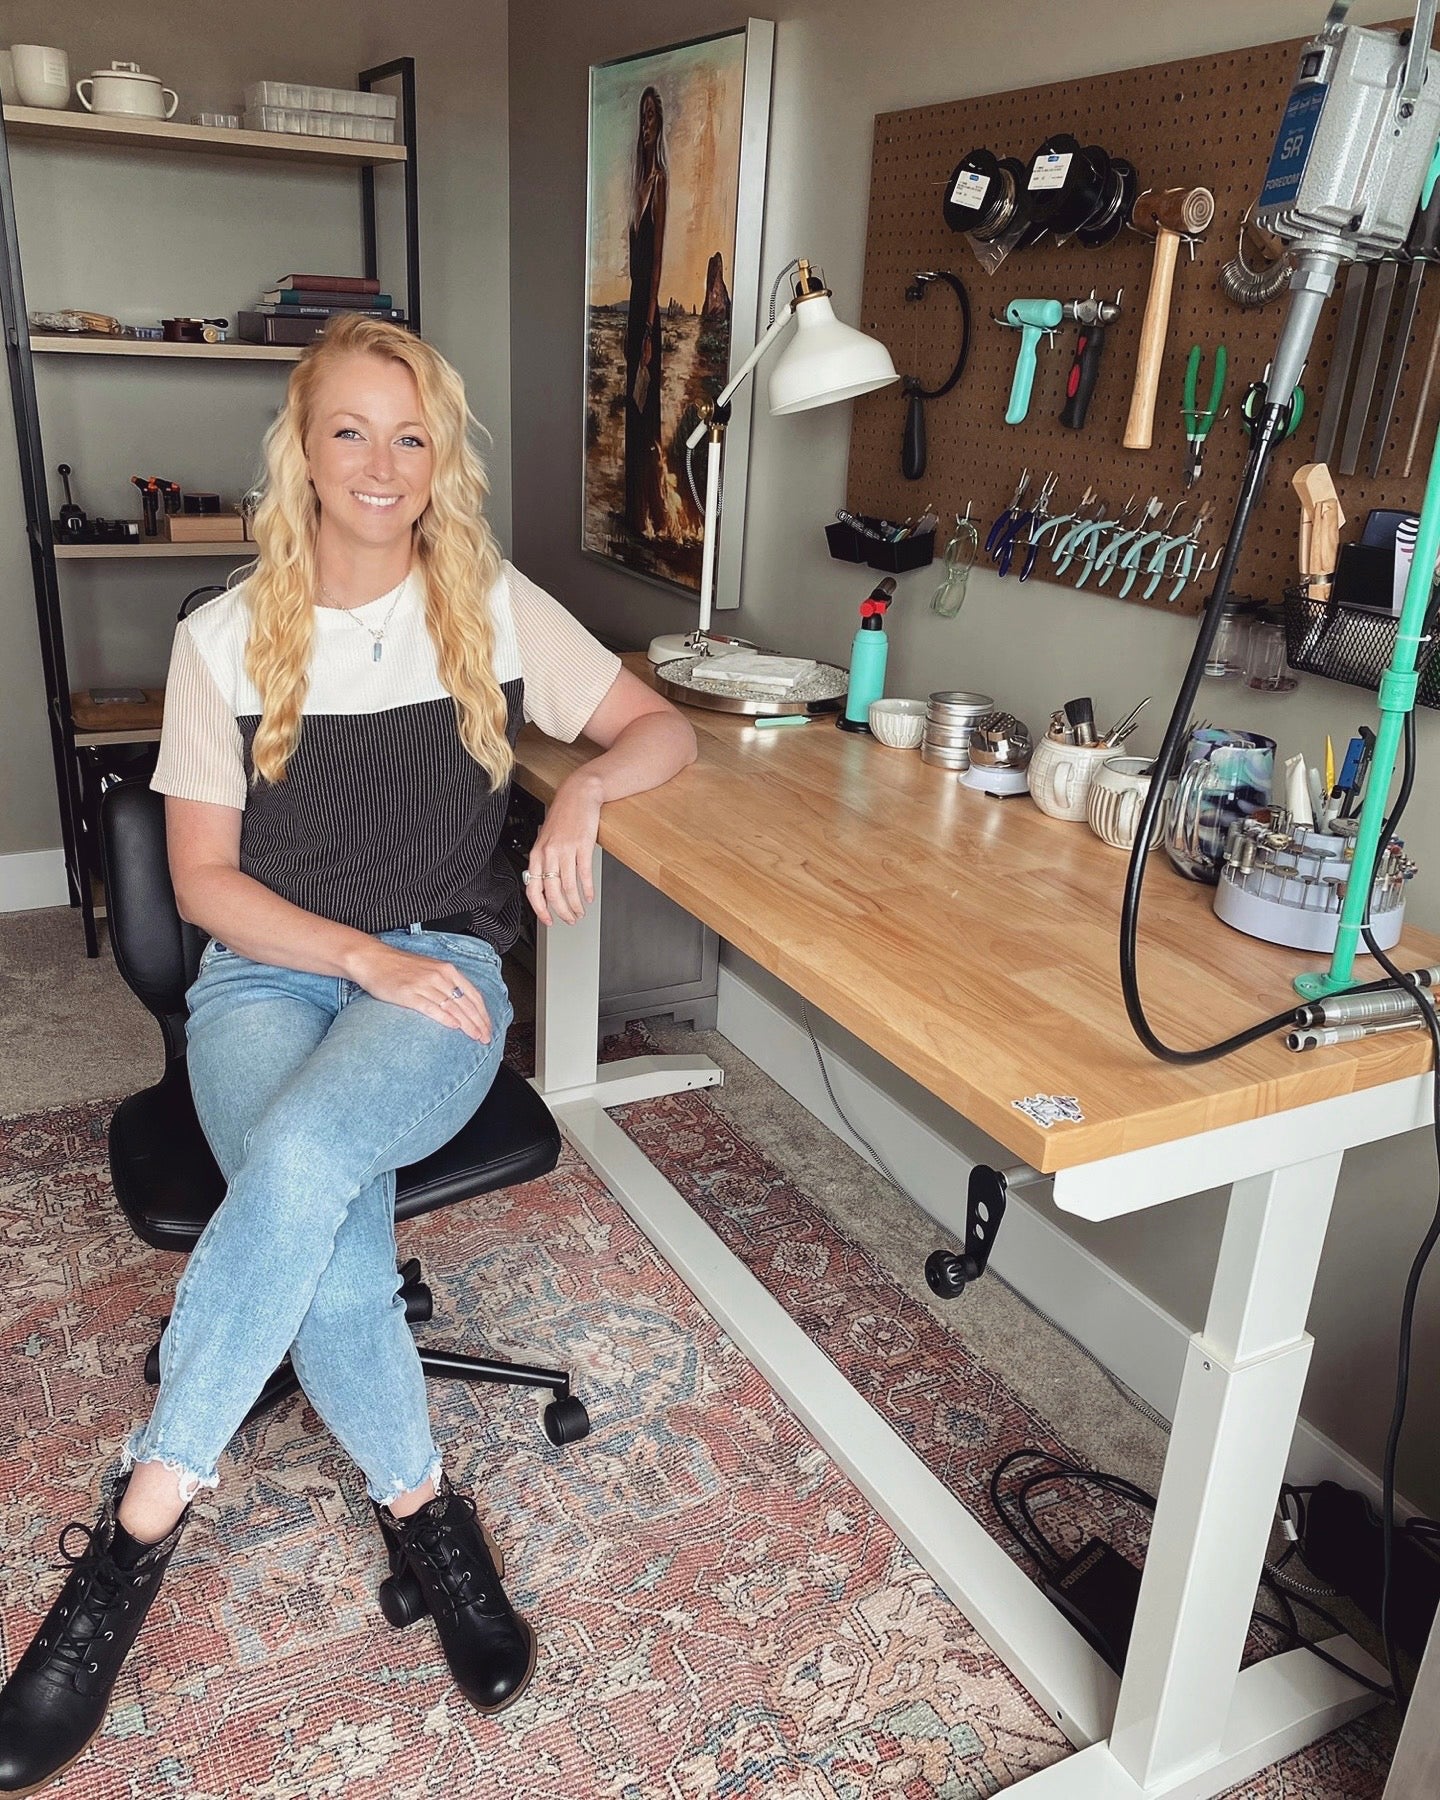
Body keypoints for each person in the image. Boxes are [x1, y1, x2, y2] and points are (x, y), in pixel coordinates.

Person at [0, 312, 697, 1795]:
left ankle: (133, 1536)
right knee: (330, 1218)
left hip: (439, 975)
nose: (381, 464)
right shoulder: (223, 637)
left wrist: (575, 802)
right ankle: (425, 1507)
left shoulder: (491, 608)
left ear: (438, 455)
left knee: (309, 1155)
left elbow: (659, 732)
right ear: (302, 457)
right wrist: (353, 952)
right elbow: (202, 885)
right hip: (270, 977)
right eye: (349, 433)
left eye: (410, 434)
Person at [623, 83, 669, 539]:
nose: (647, 123)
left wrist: (649, 333)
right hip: (633, 308)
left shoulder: (659, 184)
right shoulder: (636, 184)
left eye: (653, 115)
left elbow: (655, 265)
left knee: (645, 409)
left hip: (648, 312)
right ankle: (633, 511)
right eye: (643, 116)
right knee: (629, 409)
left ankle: (651, 512)